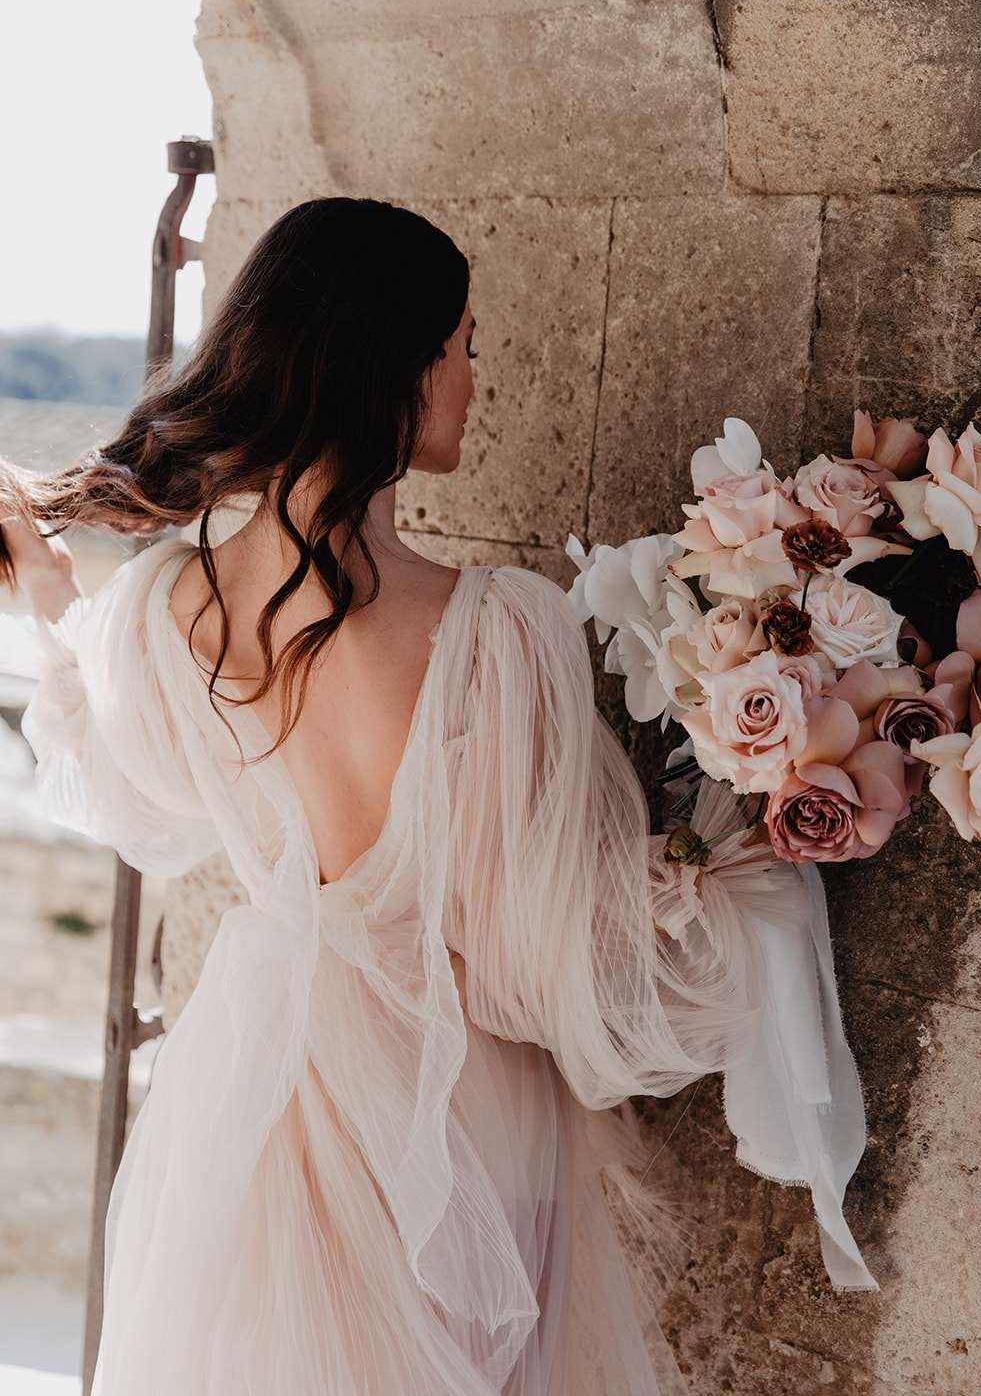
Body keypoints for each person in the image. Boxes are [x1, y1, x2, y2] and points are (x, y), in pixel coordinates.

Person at [0, 197, 876, 1396]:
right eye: (464, 347)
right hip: (462, 1117)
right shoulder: (497, 630)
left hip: (262, 1103)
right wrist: (735, 839)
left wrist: (50, 597)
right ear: (398, 372)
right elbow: (550, 959)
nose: (475, 378)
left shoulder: (163, 607)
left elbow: (117, 782)